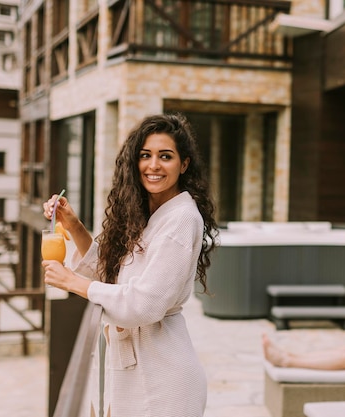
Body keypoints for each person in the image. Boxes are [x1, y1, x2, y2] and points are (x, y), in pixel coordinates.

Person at [42, 113, 218, 417]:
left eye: (166, 156)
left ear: (184, 164)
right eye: (145, 155)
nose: (153, 165)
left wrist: (73, 282)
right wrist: (73, 225)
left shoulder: (181, 219)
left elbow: (144, 304)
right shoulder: (147, 213)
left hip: (163, 380)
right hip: (134, 371)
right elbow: (110, 275)